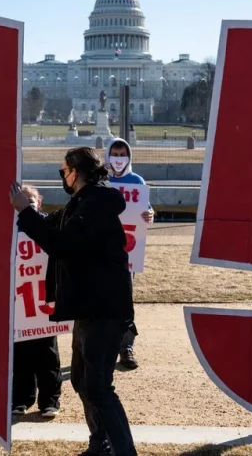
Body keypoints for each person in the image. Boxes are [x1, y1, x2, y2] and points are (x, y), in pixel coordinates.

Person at [10, 147, 137, 456]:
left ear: (76, 172)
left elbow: (63, 244)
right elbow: (54, 225)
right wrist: (27, 212)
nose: (62, 177)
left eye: (63, 171)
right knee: (82, 381)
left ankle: (123, 451)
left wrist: (26, 212)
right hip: (90, 308)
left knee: (98, 387)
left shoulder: (97, 203)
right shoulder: (84, 201)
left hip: (104, 310)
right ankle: (100, 443)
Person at [11, 185, 62, 419]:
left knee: (47, 354)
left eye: (31, 199)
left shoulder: (50, 224)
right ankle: (21, 399)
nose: (27, 203)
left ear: (39, 202)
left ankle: (50, 401)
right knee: (20, 355)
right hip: (19, 301)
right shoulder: (9, 228)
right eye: (23, 199)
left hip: (44, 301)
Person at [105, 137, 154, 370]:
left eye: (122, 154)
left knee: (125, 300)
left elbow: (146, 209)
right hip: (101, 252)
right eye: (114, 153)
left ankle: (126, 347)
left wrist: (149, 215)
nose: (118, 158)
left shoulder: (137, 181)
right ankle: (104, 346)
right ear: (108, 155)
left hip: (127, 253)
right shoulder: (101, 181)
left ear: (129, 156)